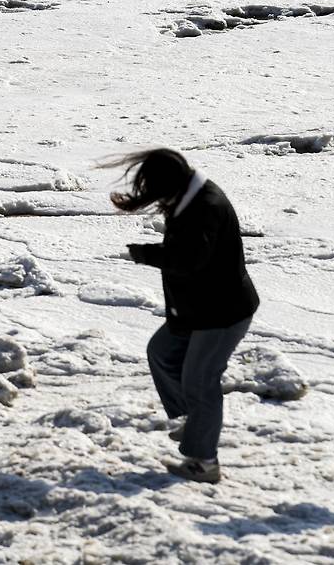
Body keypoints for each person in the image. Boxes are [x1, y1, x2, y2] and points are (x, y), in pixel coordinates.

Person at [110, 148, 260, 484]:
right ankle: (191, 423)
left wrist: (148, 254)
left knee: (200, 381)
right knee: (161, 353)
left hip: (222, 312)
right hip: (196, 307)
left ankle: (203, 462)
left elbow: (190, 260)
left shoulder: (206, 207)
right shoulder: (188, 196)